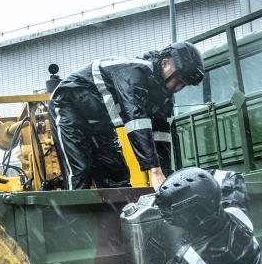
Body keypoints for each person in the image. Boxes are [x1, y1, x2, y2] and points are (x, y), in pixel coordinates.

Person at [48, 41, 204, 190]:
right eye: (178, 80)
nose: (178, 88)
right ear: (165, 63)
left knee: (117, 176)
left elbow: (161, 137)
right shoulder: (134, 72)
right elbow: (135, 118)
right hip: (68, 104)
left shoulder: (164, 96)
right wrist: (154, 170)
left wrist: (167, 179)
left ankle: (118, 216)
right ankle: (75, 216)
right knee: (79, 172)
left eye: (184, 85)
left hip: (101, 123)